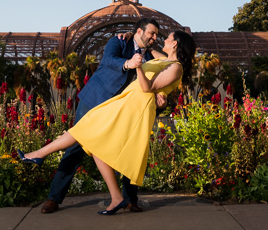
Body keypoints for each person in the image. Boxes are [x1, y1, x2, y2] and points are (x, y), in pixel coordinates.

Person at [20, 30, 196, 215]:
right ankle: (114, 198)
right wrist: (130, 35)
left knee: (89, 132)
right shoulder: (137, 48)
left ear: (175, 43)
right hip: (111, 99)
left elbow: (148, 87)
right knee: (92, 141)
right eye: (152, 33)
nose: (161, 38)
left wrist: (139, 69)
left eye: (167, 37)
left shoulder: (175, 67)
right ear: (140, 32)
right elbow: (134, 56)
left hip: (132, 107)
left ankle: (39, 154)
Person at [37, 18, 160, 214]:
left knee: (126, 150)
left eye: (156, 35)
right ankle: (54, 198)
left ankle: (130, 200)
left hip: (120, 109)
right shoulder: (119, 41)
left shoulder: (150, 56)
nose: (154, 37)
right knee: (74, 148)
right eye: (151, 33)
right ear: (139, 31)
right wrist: (129, 63)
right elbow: (109, 60)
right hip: (95, 100)